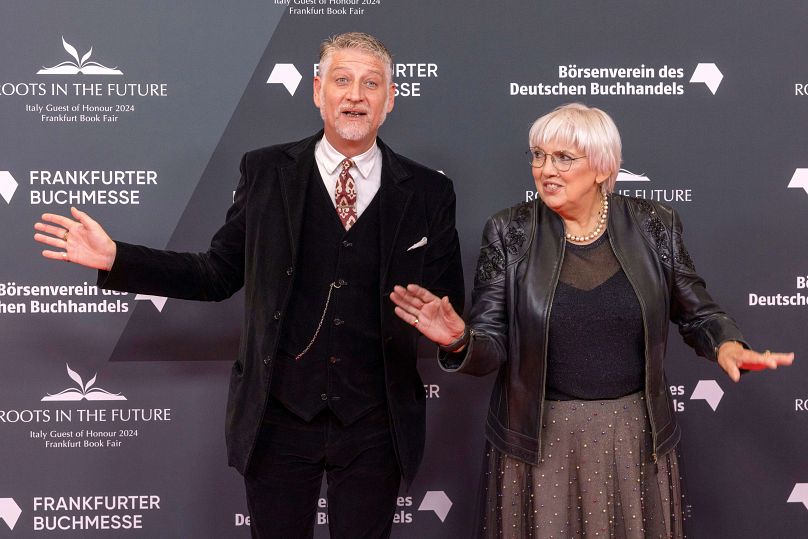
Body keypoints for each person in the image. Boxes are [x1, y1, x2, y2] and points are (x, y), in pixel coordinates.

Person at [34, 32, 464, 539]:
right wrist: (118, 258)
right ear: (317, 90)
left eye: (371, 84)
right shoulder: (264, 172)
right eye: (342, 80)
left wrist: (456, 339)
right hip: (278, 417)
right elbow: (216, 273)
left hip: (376, 423)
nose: (355, 95)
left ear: (390, 99)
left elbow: (446, 308)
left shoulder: (429, 191)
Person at [390, 103, 794, 538]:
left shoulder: (654, 225)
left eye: (564, 158)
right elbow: (490, 343)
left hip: (634, 438)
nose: (546, 169)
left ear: (603, 167)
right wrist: (458, 340)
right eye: (538, 155)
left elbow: (699, 313)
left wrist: (726, 344)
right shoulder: (509, 232)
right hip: (538, 441)